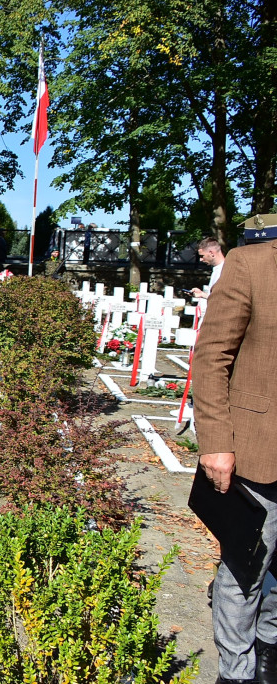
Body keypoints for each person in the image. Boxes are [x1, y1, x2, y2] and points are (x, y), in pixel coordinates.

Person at [193, 234, 277, 684]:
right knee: (246, 567)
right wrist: (216, 442)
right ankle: (237, 672)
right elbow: (211, 359)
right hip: (261, 447)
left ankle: (268, 651)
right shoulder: (251, 264)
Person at [190, 236, 226, 301]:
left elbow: (224, 299)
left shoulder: (227, 270)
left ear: (211, 253)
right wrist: (201, 294)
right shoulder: (217, 269)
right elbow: (215, 297)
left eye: (202, 256)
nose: (201, 259)